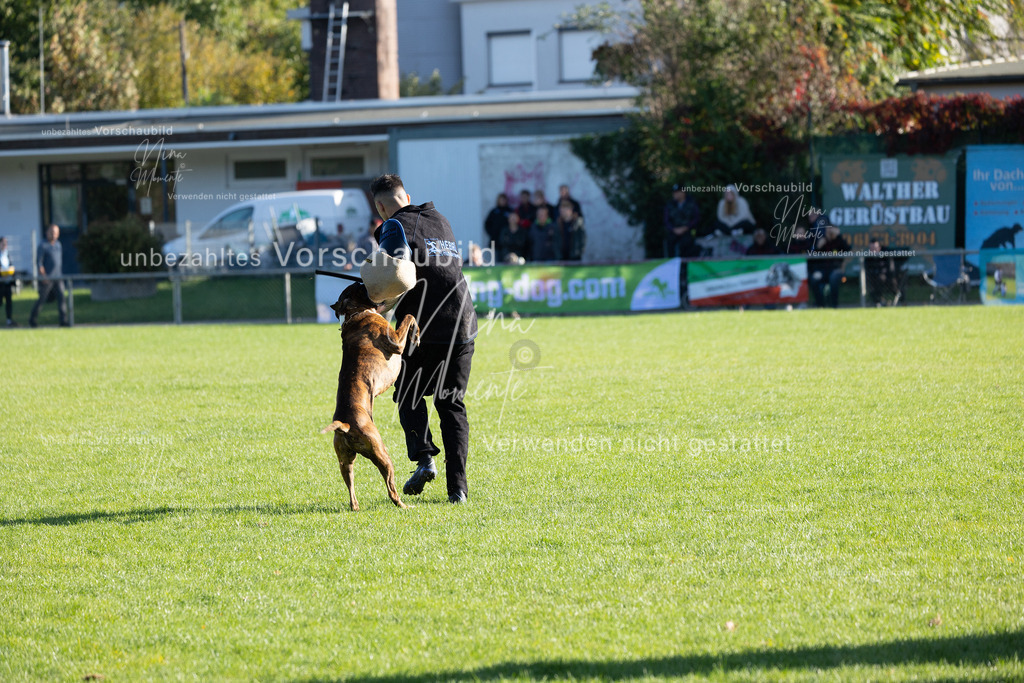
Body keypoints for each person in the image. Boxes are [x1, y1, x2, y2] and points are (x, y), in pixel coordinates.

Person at [368, 174, 477, 503]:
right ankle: (457, 490)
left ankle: (425, 460)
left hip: (424, 329)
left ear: (381, 207)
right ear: (407, 196)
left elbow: (388, 277)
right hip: (462, 326)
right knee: (451, 405)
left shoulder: (393, 226)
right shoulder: (439, 219)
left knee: (408, 395)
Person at [30, 224, 70, 328]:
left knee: (62, 299)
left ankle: (63, 321)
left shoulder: (58, 245)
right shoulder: (43, 245)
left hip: (58, 277)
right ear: (47, 232)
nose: (53, 235)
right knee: (42, 300)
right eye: (52, 232)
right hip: (47, 278)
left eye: (56, 233)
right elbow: (39, 263)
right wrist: (44, 276)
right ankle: (32, 320)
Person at [809, 223, 850, 308]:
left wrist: (838, 236)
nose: (830, 232)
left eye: (832, 230)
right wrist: (818, 247)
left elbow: (848, 249)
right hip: (823, 270)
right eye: (828, 230)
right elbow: (812, 255)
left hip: (836, 269)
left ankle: (834, 305)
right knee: (814, 279)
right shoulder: (822, 241)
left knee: (833, 278)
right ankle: (820, 305)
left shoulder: (839, 241)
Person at [663, 183, 701, 258]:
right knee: (670, 242)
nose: (675, 194)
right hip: (674, 231)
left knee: (686, 243)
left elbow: (696, 218)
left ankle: (684, 266)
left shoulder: (691, 203)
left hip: (687, 230)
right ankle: (671, 265)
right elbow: (666, 220)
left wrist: (686, 227)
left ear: (683, 192)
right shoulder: (670, 205)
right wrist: (673, 229)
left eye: (677, 192)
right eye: (674, 192)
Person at [0, 236, 16, 327]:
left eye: (6, 243)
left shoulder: (7, 255)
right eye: (3, 243)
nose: (5, 245)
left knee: (9, 302)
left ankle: (9, 320)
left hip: (8, 283)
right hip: (0, 283)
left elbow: (10, 265)